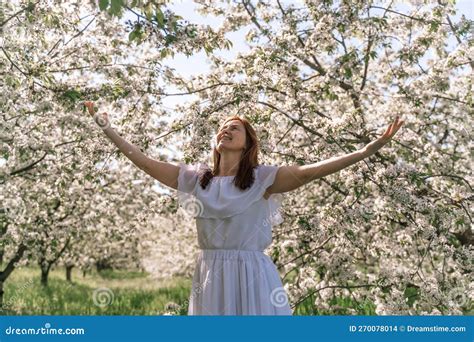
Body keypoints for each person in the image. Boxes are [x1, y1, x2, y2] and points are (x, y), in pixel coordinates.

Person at [84, 101, 404, 315]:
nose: (226, 129)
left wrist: (364, 151)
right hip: (210, 273)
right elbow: (144, 162)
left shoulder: (262, 179)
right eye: (222, 127)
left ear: (248, 142)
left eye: (234, 128)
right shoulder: (197, 180)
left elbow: (310, 171)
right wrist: (107, 128)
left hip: (251, 272)